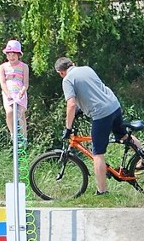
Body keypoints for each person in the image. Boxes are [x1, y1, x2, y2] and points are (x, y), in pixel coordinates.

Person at [54, 57, 125, 196]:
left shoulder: (67, 80)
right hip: (114, 106)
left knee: (97, 153)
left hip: (101, 114)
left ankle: (102, 191)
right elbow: (93, 90)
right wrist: (82, 109)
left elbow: (71, 105)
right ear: (72, 64)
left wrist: (68, 128)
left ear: (60, 72)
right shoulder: (87, 68)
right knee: (124, 136)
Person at [0, 39, 29, 140]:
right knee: (10, 112)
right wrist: (7, 94)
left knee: (20, 113)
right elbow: (2, 82)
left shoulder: (24, 66)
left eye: (13, 55)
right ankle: (12, 133)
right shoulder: (2, 67)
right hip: (8, 92)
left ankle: (23, 137)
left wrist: (22, 91)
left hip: (19, 92)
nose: (11, 57)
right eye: (9, 55)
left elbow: (26, 83)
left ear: (18, 55)